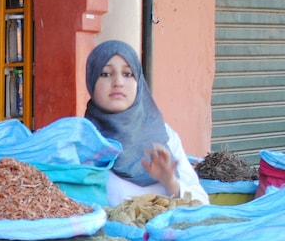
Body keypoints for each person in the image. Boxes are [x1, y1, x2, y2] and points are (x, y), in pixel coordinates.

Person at [83, 39, 209, 207]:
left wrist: (170, 182)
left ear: (139, 82)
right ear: (91, 81)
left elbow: (202, 204)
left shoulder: (162, 135)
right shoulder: (81, 140)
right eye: (106, 74)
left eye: (128, 74)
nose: (118, 82)